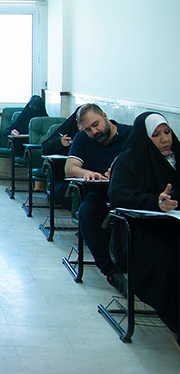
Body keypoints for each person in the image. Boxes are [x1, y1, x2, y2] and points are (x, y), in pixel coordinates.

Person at [108, 112, 179, 336]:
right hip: (145, 232)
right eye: (156, 135)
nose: (165, 139)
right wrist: (155, 201)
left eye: (167, 132)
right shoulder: (129, 161)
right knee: (170, 258)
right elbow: (118, 195)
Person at [65, 104, 134, 293]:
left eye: (96, 125)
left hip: (129, 193)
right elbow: (70, 168)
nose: (94, 132)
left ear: (104, 116)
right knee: (86, 214)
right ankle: (111, 272)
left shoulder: (130, 134)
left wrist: (121, 171)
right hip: (101, 193)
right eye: (88, 129)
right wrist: (87, 173)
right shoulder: (83, 139)